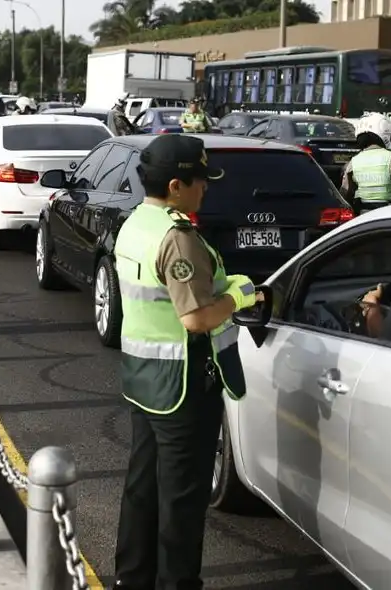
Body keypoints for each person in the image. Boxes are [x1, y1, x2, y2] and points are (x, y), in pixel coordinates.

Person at [111, 134, 262, 590]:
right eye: (200, 180)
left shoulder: (137, 222)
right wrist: (239, 294)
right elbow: (196, 317)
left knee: (142, 489)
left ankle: (132, 579)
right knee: (182, 499)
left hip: (143, 380)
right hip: (183, 388)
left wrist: (217, 283)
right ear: (177, 185)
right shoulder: (178, 237)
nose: (206, 188)